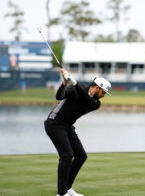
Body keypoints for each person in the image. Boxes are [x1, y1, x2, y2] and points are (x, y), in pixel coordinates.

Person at [44, 68, 111, 196]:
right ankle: (61, 193)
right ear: (97, 88)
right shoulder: (74, 89)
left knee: (81, 156)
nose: (104, 95)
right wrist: (64, 83)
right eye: (103, 92)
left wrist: (74, 81)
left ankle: (67, 187)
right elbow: (59, 96)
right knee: (67, 156)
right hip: (54, 124)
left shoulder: (96, 103)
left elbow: (86, 98)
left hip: (68, 126)